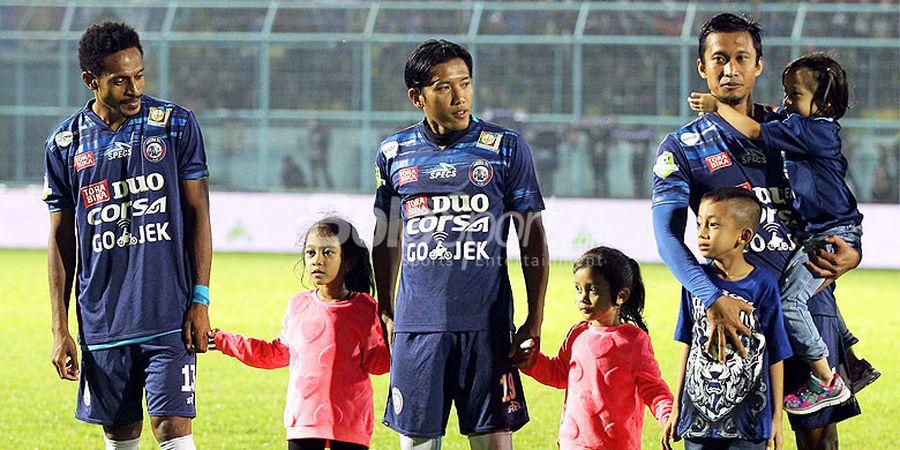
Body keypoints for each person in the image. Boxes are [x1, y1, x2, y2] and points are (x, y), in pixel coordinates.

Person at [651, 13, 861, 449]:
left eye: (741, 58)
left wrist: (853, 253)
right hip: (731, 314)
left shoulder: (792, 129)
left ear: (759, 65)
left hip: (807, 303)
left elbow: (834, 200)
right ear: (701, 67)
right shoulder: (681, 148)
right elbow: (668, 237)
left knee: (819, 441)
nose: (730, 69)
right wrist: (712, 298)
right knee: (733, 442)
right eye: (719, 58)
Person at [372, 39, 549, 450]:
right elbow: (386, 234)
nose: (460, 96)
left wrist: (533, 317)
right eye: (444, 87)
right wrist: (385, 306)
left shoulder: (505, 148)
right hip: (418, 328)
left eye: (465, 83)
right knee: (416, 443)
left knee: (492, 444)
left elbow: (531, 236)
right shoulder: (393, 152)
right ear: (417, 97)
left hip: (487, 328)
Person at [43, 21, 211, 450]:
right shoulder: (65, 144)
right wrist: (60, 328)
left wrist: (200, 299)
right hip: (102, 321)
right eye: (120, 80)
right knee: (120, 436)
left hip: (168, 315)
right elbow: (62, 241)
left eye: (139, 75)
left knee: (173, 429)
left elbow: (198, 216)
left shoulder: (174, 125)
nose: (134, 88)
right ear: (90, 80)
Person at [688, 53, 879, 414]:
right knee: (812, 289)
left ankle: (827, 381)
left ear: (821, 103)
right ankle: (851, 360)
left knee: (791, 300)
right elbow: (771, 113)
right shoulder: (800, 122)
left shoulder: (818, 131)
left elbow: (757, 129)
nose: (787, 102)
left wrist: (718, 108)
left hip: (831, 233)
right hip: (821, 232)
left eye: (795, 94)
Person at [208, 217, 390, 450]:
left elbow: (377, 363)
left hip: (351, 424)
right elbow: (276, 353)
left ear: (349, 261)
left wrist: (404, 344)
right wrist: (225, 341)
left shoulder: (366, 308)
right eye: (311, 253)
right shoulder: (298, 305)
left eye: (328, 253)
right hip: (304, 421)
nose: (317, 261)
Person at [662, 188, 792, 450]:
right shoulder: (694, 282)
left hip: (748, 423)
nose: (702, 233)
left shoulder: (764, 285)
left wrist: (776, 419)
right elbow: (688, 346)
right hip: (697, 419)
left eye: (713, 225)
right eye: (700, 223)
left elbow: (776, 354)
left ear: (743, 236)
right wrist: (677, 406)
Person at [520, 247, 673, 450]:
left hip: (617, 445)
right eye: (578, 288)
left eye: (593, 290)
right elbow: (559, 373)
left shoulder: (634, 341)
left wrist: (668, 415)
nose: (583, 297)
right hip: (573, 443)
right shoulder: (577, 333)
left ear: (621, 295)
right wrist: (532, 362)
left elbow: (653, 389)